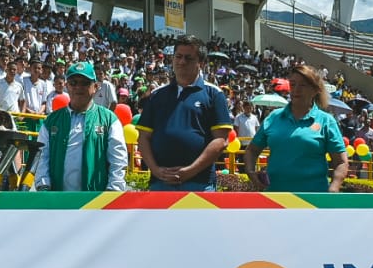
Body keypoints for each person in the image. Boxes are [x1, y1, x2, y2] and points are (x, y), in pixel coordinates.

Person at [136, 35, 232, 191]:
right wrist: (155, 170)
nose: (182, 62)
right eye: (178, 56)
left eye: (189, 58)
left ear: (201, 63)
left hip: (200, 183)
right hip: (160, 182)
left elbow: (221, 140)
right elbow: (143, 137)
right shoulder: (156, 95)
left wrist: (190, 171)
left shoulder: (214, 94)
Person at [243, 65, 348, 193]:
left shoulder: (326, 121)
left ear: (315, 90)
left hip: (313, 200)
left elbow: (341, 162)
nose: (296, 90)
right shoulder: (273, 117)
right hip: (275, 199)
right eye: (293, 84)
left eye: (303, 85)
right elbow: (252, 150)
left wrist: (334, 186)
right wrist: (250, 172)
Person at [33, 61, 127, 192]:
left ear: (95, 86)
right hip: (57, 200)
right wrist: (43, 187)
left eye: (85, 83)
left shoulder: (109, 119)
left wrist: (113, 192)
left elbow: (118, 160)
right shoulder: (51, 121)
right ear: (66, 86)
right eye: (73, 83)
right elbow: (42, 157)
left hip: (95, 201)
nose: (79, 87)